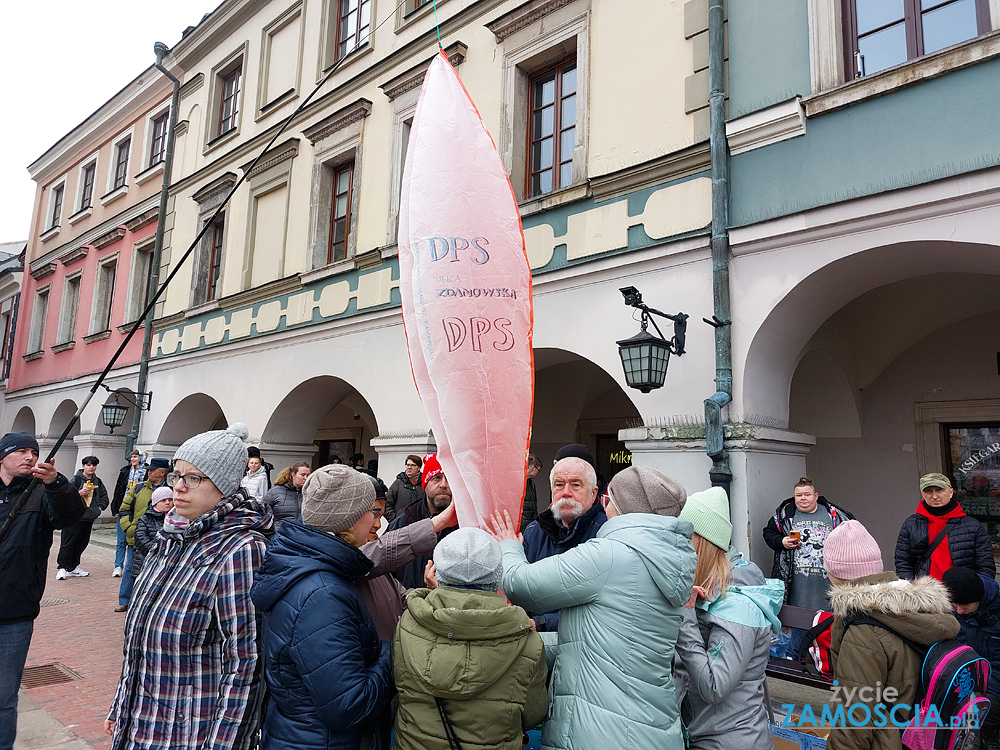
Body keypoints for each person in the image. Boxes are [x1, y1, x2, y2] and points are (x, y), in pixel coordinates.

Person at [488, 465, 697, 750]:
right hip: (651, 723)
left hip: (601, 731)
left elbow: (521, 585)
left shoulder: (609, 556)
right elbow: (609, 643)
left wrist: (508, 546)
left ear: (617, 504)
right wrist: (531, 643)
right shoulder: (665, 558)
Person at [105, 422, 271, 750]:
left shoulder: (241, 549)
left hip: (190, 733)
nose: (178, 487)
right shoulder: (170, 536)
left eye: (193, 478)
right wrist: (122, 705)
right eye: (176, 475)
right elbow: (139, 640)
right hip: (141, 723)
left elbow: (247, 663)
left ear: (223, 486)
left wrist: (225, 744)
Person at [251, 464, 393, 750]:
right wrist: (393, 652)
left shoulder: (310, 569)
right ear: (350, 519)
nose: (377, 522)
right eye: (373, 513)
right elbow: (347, 706)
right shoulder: (323, 594)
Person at [393, 528, 548, 750]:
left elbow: (401, 688)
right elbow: (533, 714)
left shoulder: (408, 625)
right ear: (497, 576)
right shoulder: (528, 643)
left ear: (437, 573)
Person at [823, 519, 959, 750]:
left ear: (834, 572)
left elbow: (855, 722)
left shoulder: (863, 631)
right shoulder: (921, 606)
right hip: (926, 737)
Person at [673, 487, 783, 750]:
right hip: (702, 736)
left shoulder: (737, 605)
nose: (677, 548)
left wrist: (687, 618)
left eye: (685, 539)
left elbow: (714, 685)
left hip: (730, 742)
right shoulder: (705, 590)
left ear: (705, 543)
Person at [0, 431, 84, 750]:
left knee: (4, 695)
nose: (29, 457)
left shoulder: (43, 494)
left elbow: (72, 515)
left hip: (16, 613)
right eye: (20, 451)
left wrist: (57, 483)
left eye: (33, 452)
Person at [762, 476, 854, 655]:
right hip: (796, 589)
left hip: (828, 587)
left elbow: (852, 536)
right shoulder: (784, 515)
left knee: (828, 629)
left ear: (816, 496)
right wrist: (782, 541)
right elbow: (767, 534)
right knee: (796, 634)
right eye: (798, 495)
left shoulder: (833, 514)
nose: (803, 499)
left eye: (807, 495)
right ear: (794, 497)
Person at [519, 456, 608, 632]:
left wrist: (541, 623)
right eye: (559, 484)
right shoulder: (534, 531)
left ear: (593, 492)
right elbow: (520, 592)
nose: (566, 492)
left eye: (576, 485)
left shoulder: (606, 534)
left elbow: (601, 608)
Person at [894, 472, 994, 581]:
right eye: (928, 491)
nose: (934, 496)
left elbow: (985, 566)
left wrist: (974, 591)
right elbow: (903, 561)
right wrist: (912, 588)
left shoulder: (972, 526)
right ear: (923, 494)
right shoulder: (911, 524)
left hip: (962, 594)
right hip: (925, 594)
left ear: (951, 492)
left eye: (939, 490)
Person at [941, 566, 1000, 748]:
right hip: (960, 678)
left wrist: (983, 690)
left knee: (987, 710)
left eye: (964, 605)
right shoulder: (947, 610)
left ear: (979, 600)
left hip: (992, 680)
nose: (958, 611)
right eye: (954, 605)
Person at [386, 454, 459, 589]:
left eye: (449, 478)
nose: (443, 485)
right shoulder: (402, 524)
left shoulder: (466, 527)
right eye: (436, 478)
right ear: (425, 484)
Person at [116, 457, 169, 612]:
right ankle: (124, 600)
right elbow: (125, 508)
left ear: (162, 472)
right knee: (130, 568)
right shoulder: (139, 488)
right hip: (136, 537)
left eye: (152, 470)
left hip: (159, 538)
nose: (149, 472)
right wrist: (128, 528)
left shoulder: (170, 490)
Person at [56, 455, 110, 579]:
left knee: (82, 543)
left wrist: (99, 509)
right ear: (83, 466)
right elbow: (64, 496)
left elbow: (104, 497)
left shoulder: (98, 481)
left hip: (89, 517)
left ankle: (73, 566)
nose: (92, 467)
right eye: (89, 465)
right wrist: (78, 493)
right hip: (73, 517)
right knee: (68, 542)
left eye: (94, 465)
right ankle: (62, 567)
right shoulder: (75, 480)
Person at [112, 449, 147, 577]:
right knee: (121, 540)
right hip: (125, 508)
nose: (133, 459)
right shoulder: (125, 471)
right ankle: (118, 566)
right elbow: (119, 489)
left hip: (139, 509)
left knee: (136, 541)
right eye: (132, 456)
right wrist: (115, 506)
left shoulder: (147, 472)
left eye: (136, 457)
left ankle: (132, 566)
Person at [131, 487, 173, 577]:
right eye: (163, 500)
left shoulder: (176, 519)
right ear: (155, 503)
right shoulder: (145, 519)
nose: (168, 502)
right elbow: (141, 539)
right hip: (145, 563)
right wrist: (158, 551)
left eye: (170, 499)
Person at [262, 462, 310, 529]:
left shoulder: (310, 493)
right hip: (279, 533)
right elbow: (263, 512)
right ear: (293, 474)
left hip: (301, 533)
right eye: (302, 475)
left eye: (308, 475)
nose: (306, 478)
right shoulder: (275, 491)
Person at [385, 454, 424, 522]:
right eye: (408, 465)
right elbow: (387, 503)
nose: (409, 467)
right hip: (401, 525)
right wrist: (394, 521)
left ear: (419, 467)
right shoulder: (398, 483)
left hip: (420, 525)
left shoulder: (425, 483)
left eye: (413, 465)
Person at [519, 454, 542, 534]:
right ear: (533, 467)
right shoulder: (518, 481)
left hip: (528, 525)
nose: (537, 473)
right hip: (521, 526)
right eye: (538, 470)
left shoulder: (531, 483)